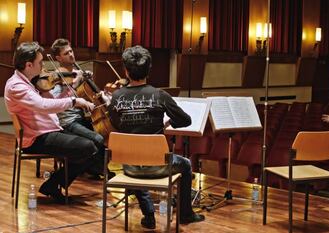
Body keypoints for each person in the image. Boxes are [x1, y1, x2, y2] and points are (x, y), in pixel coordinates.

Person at [107, 45, 205, 229]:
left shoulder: (117, 97)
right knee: (185, 164)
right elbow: (185, 120)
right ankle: (185, 214)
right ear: (149, 69)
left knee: (135, 156)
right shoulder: (160, 95)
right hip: (159, 167)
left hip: (129, 168)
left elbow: (116, 124)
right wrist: (168, 124)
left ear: (126, 71)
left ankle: (149, 215)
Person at [4, 41, 98, 203]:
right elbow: (43, 106)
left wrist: (68, 88)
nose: (43, 67)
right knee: (88, 147)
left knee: (95, 144)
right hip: (36, 138)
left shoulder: (32, 81)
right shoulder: (16, 87)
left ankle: (53, 184)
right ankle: (54, 183)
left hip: (49, 130)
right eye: (40, 63)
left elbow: (53, 105)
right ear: (28, 65)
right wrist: (75, 101)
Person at [49, 38, 114, 179]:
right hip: (68, 122)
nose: (71, 55)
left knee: (104, 134)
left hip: (81, 117)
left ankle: (93, 168)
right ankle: (99, 169)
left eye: (71, 51)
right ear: (58, 58)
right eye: (66, 53)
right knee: (97, 138)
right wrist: (76, 82)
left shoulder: (76, 72)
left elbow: (86, 96)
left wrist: (86, 81)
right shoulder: (56, 78)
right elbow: (53, 101)